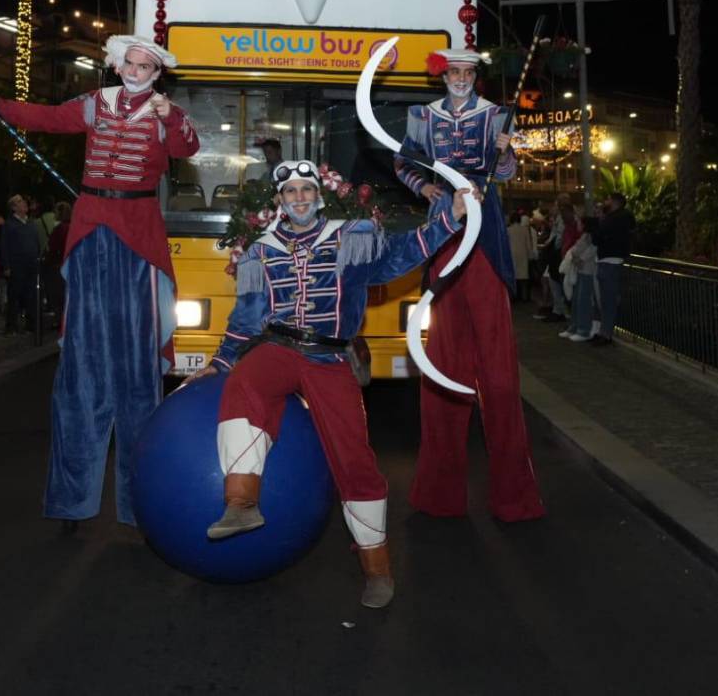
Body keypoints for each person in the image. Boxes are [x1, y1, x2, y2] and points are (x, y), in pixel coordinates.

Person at [184, 159, 480, 608]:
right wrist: (221, 360)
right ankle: (241, 502)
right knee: (244, 381)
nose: (299, 198)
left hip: (329, 355)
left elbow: (400, 254)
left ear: (318, 195)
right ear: (279, 202)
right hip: (278, 347)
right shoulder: (260, 250)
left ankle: (376, 568)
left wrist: (449, 218)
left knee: (354, 456)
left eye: (306, 189)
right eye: (290, 193)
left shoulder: (352, 236)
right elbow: (246, 318)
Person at [0, 35, 200, 528]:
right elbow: (50, 117)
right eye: (130, 64)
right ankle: (73, 499)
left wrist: (168, 117)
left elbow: (188, 145)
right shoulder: (96, 104)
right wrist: (2, 107)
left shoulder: (167, 113)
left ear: (157, 72)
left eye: (146, 66)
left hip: (138, 233)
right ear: (119, 66)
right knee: (81, 362)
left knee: (138, 363)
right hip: (93, 224)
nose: (136, 72)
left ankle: (138, 502)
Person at [393, 48, 546, 523]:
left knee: (499, 370)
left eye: (468, 72)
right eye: (454, 72)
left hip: (487, 233)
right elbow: (403, 165)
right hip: (442, 229)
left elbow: (506, 174)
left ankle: (514, 498)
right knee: (443, 356)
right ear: (444, 76)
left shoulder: (498, 116)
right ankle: (439, 493)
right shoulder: (421, 117)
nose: (461, 78)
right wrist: (425, 189)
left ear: (476, 77)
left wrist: (506, 156)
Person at [592, 192, 635, 346]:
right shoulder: (621, 217)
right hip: (610, 259)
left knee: (607, 300)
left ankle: (606, 333)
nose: (606, 201)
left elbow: (598, 237)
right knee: (606, 299)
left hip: (610, 260)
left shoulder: (615, 219)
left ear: (615, 202)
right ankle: (604, 331)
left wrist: (599, 226)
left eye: (608, 199)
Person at [0, 194, 40, 335]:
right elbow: (4, 246)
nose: (24, 203)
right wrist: (6, 266)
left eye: (23, 201)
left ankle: (31, 325)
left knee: (31, 296)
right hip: (16, 266)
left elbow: (36, 243)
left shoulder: (31, 223)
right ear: (14, 207)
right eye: (20, 202)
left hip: (31, 265)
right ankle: (11, 327)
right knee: (14, 297)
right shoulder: (9, 224)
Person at [559, 216, 599, 342]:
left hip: (587, 271)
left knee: (583, 301)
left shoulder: (590, 237)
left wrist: (578, 258)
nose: (578, 225)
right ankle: (575, 327)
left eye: (580, 223)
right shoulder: (585, 236)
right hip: (580, 270)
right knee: (577, 300)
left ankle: (583, 329)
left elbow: (583, 252)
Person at [507, 210, 538, 301]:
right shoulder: (524, 230)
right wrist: (530, 256)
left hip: (512, 255)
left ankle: (513, 297)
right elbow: (528, 244)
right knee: (523, 278)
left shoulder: (508, 230)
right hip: (523, 255)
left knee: (513, 278)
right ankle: (524, 297)